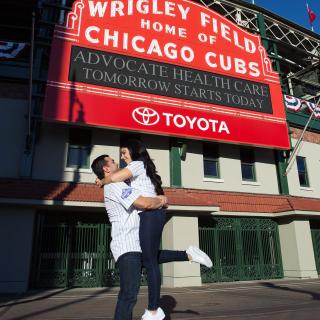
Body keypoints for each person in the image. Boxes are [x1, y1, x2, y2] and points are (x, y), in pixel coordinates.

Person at [95, 140, 213, 320]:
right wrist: (162, 200)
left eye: (122, 154)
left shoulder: (122, 180)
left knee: (150, 259)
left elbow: (138, 183)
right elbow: (143, 203)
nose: (118, 160)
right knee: (128, 295)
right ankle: (154, 309)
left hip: (135, 243)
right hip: (127, 246)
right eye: (112, 161)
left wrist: (101, 180)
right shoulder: (115, 185)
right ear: (106, 168)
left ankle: (188, 254)